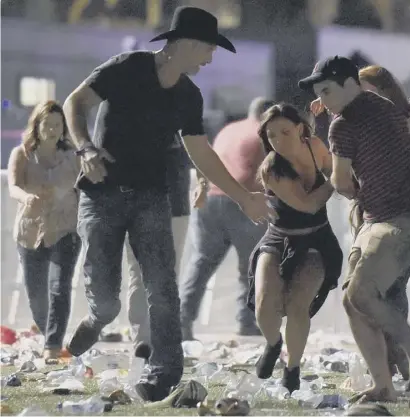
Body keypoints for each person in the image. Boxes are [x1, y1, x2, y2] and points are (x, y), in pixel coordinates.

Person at [62, 7, 270, 401]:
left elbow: (202, 153)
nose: (210, 59)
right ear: (187, 44)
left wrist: (243, 196)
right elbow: (76, 103)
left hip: (151, 197)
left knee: (162, 287)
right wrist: (85, 147)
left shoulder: (188, 95)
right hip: (102, 193)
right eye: (208, 50)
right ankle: (95, 319)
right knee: (107, 301)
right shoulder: (126, 68)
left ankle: (164, 374)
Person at [300, 56, 410, 402]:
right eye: (319, 93)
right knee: (353, 299)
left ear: (350, 83)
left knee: (360, 295)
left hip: (393, 220)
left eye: (327, 90)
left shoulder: (341, 126)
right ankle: (384, 385)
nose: (324, 100)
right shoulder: (383, 106)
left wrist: (354, 190)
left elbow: (341, 181)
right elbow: (380, 127)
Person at [247, 103, 343, 393]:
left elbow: (332, 165)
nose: (278, 141)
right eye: (271, 135)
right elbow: (309, 203)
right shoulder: (272, 169)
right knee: (265, 305)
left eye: (285, 132)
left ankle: (293, 368)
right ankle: (274, 344)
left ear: (301, 129)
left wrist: (341, 172)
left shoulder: (315, 146)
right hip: (279, 238)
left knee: (298, 305)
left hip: (317, 238)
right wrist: (338, 178)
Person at [178, 97, 275, 340]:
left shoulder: (229, 129)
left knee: (201, 263)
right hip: (243, 199)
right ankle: (247, 322)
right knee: (252, 266)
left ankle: (181, 321)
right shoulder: (266, 133)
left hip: (210, 198)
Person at [7, 101, 81, 361]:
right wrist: (25, 197)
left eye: (57, 125)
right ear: (36, 126)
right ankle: (47, 330)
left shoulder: (73, 157)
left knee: (59, 287)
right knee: (37, 295)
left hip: (65, 228)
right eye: (46, 124)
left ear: (63, 128)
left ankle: (52, 345)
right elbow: (13, 186)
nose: (52, 129)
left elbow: (85, 189)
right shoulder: (22, 154)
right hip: (31, 230)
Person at [125, 130, 191, 354]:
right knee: (139, 273)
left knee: (168, 275)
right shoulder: (130, 120)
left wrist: (202, 179)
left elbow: (199, 150)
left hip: (176, 206)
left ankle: (161, 338)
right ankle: (143, 340)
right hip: (138, 207)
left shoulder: (179, 115)